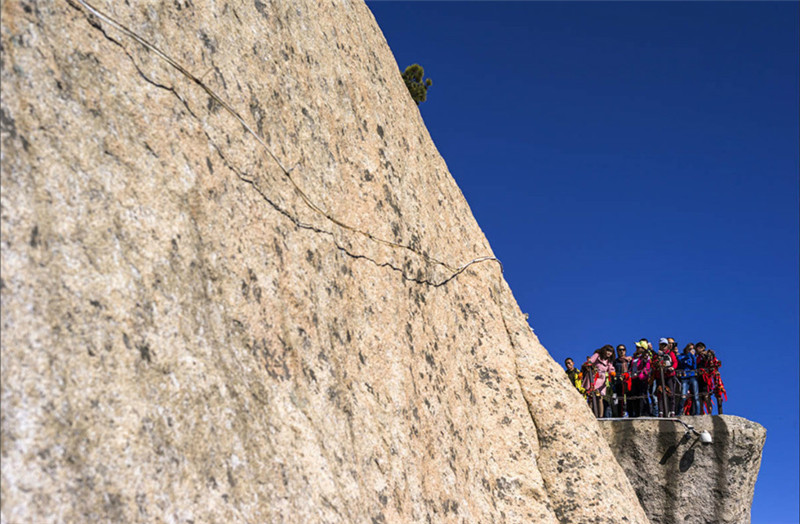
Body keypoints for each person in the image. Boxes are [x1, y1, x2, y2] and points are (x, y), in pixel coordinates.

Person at [582, 345, 615, 418]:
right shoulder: (597, 355)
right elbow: (590, 361)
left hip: (602, 379)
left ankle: (600, 416)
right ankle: (590, 415)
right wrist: (589, 364)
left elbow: (611, 368)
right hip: (594, 377)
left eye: (611, 352)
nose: (609, 353)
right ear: (604, 350)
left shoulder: (609, 361)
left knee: (600, 398)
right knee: (591, 397)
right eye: (608, 350)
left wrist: (612, 372)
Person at [651, 338, 678, 417]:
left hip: (669, 375)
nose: (663, 347)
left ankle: (672, 411)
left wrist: (672, 368)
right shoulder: (657, 355)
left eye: (665, 345)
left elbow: (675, 362)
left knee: (671, 393)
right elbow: (654, 364)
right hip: (660, 376)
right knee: (660, 394)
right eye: (662, 345)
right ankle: (661, 412)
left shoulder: (670, 353)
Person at [700, 349, 726, 415]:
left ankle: (714, 413)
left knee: (717, 393)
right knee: (703, 396)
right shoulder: (700, 360)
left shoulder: (713, 360)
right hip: (704, 379)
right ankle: (707, 413)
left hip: (712, 378)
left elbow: (717, 364)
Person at [677, 343, 700, 415]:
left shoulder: (692, 357)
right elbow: (680, 361)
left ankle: (697, 413)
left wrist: (693, 357)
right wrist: (690, 354)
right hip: (685, 378)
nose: (691, 350)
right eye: (689, 349)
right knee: (683, 396)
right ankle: (679, 412)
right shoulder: (681, 356)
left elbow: (694, 367)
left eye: (692, 349)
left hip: (692, 377)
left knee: (696, 396)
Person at [629, 344, 651, 418]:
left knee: (642, 395)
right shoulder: (635, 357)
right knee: (635, 396)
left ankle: (643, 412)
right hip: (634, 378)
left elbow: (647, 366)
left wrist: (642, 375)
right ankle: (637, 412)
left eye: (639, 347)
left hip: (642, 378)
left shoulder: (645, 357)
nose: (637, 348)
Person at [613, 344, 632, 417]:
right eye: (620, 350)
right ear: (617, 351)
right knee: (620, 399)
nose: (621, 351)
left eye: (623, 349)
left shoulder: (629, 360)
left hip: (628, 381)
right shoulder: (615, 362)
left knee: (629, 398)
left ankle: (630, 414)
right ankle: (620, 414)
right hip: (618, 382)